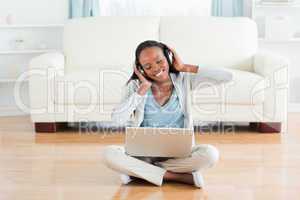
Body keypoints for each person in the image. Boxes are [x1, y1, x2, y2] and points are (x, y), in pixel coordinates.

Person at [102, 40, 232, 188]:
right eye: (148, 66)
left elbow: (227, 76)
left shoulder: (184, 79)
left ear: (169, 58)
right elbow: (117, 119)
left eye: (159, 61)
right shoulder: (136, 87)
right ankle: (176, 177)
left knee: (210, 155)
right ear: (141, 69)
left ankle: (140, 173)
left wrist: (184, 67)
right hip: (144, 156)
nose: (156, 68)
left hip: (178, 155)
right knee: (108, 154)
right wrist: (142, 90)